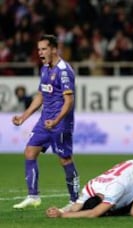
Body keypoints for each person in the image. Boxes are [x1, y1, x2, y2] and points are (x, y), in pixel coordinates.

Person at [12, 34, 80, 210]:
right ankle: (33, 196)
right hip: (44, 122)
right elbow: (41, 95)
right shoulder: (44, 69)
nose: (40, 53)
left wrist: (56, 120)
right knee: (29, 152)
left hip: (61, 123)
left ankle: (75, 200)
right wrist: (24, 116)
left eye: (44, 49)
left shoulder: (64, 71)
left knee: (65, 160)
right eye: (39, 49)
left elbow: (69, 101)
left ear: (54, 49)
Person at [46, 160, 133, 218]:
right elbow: (76, 206)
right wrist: (60, 210)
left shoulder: (113, 189)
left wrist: (63, 216)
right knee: (124, 206)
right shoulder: (91, 186)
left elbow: (94, 213)